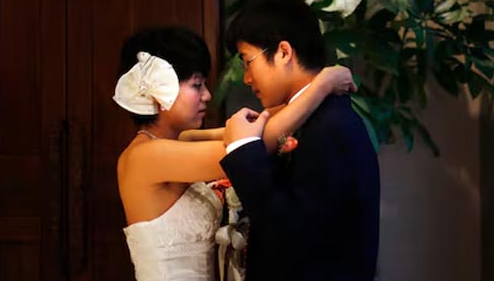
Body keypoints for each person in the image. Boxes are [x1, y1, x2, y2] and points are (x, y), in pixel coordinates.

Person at [114, 26, 356, 281]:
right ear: (155, 92)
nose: (207, 95)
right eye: (197, 85)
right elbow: (247, 145)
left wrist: (306, 89)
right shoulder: (145, 157)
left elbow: (257, 125)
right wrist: (323, 85)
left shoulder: (180, 141)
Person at [220, 0, 381, 280]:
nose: (245, 78)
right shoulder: (315, 116)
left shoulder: (330, 127)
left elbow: (288, 233)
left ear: (283, 52)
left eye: (247, 61)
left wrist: (244, 150)